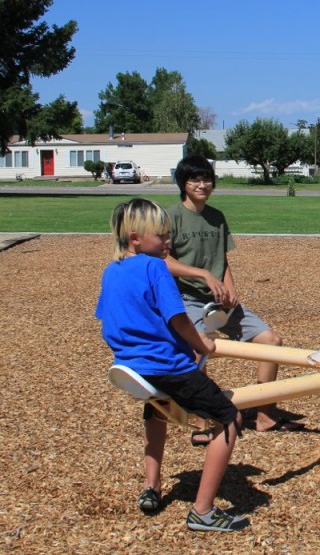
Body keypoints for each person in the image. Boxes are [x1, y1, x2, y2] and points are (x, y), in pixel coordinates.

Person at [96, 198, 249, 533]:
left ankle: (152, 486)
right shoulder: (155, 267)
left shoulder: (112, 270)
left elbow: (108, 323)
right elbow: (178, 318)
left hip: (132, 368)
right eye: (162, 236)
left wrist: (132, 353)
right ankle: (203, 512)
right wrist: (201, 343)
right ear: (136, 238)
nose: (169, 242)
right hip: (165, 366)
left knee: (158, 408)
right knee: (228, 417)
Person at [165, 155, 302, 432]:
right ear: (183, 183)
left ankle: (265, 414)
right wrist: (203, 275)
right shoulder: (171, 217)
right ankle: (205, 420)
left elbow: (222, 260)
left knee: (271, 340)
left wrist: (230, 289)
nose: (202, 185)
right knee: (198, 349)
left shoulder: (216, 217)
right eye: (195, 179)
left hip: (220, 300)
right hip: (188, 299)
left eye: (207, 179)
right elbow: (164, 262)